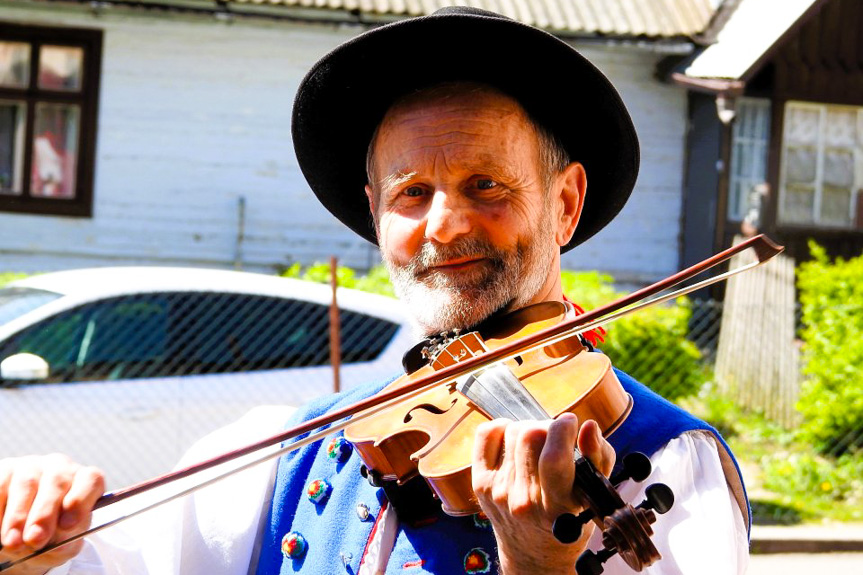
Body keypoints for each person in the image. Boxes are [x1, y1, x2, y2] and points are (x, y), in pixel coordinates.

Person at [0, 7, 750, 575]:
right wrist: (45, 530)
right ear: (375, 212)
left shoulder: (668, 461)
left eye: (484, 184)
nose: (443, 225)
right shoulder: (295, 451)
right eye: (411, 192)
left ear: (562, 203)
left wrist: (537, 563)